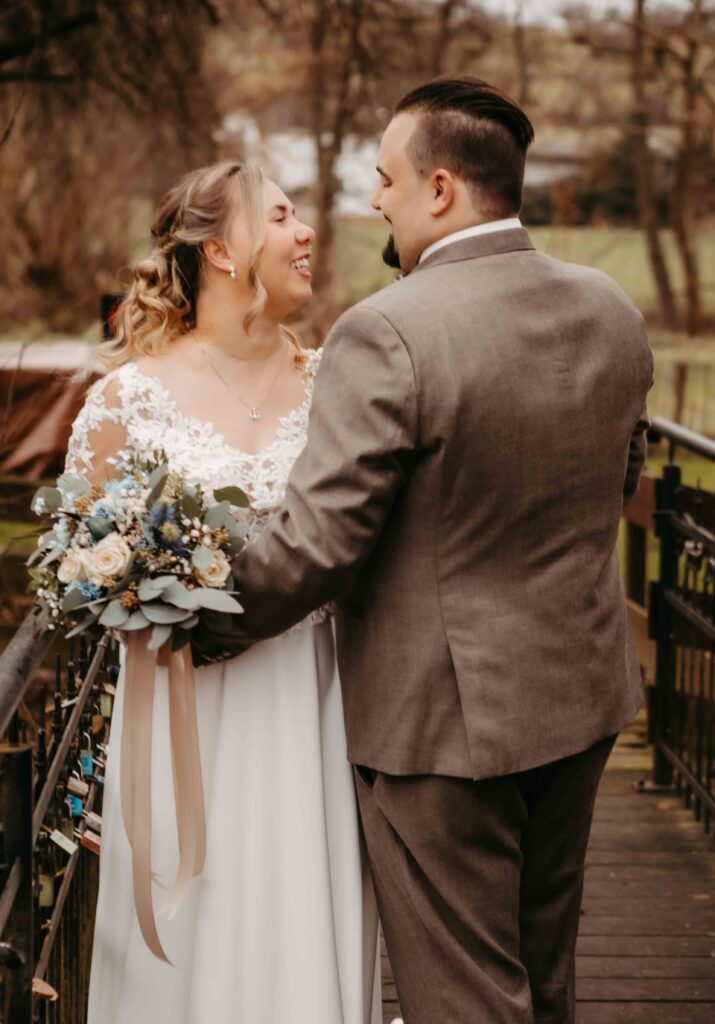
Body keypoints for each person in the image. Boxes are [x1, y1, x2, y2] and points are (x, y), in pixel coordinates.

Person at [191, 77, 654, 1024]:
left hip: (444, 730)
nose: (374, 202)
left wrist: (194, 618)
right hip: (580, 698)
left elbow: (318, 542)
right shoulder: (608, 307)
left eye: (386, 180)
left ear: (440, 190)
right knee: (542, 975)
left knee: (466, 997)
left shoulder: (388, 329)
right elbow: (615, 480)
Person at [64, 161, 381, 1024]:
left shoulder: (340, 389)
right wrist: (137, 586)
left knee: (297, 900)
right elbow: (82, 557)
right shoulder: (126, 400)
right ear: (222, 250)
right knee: (192, 910)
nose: (306, 230)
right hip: (181, 710)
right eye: (281, 216)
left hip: (312, 701)